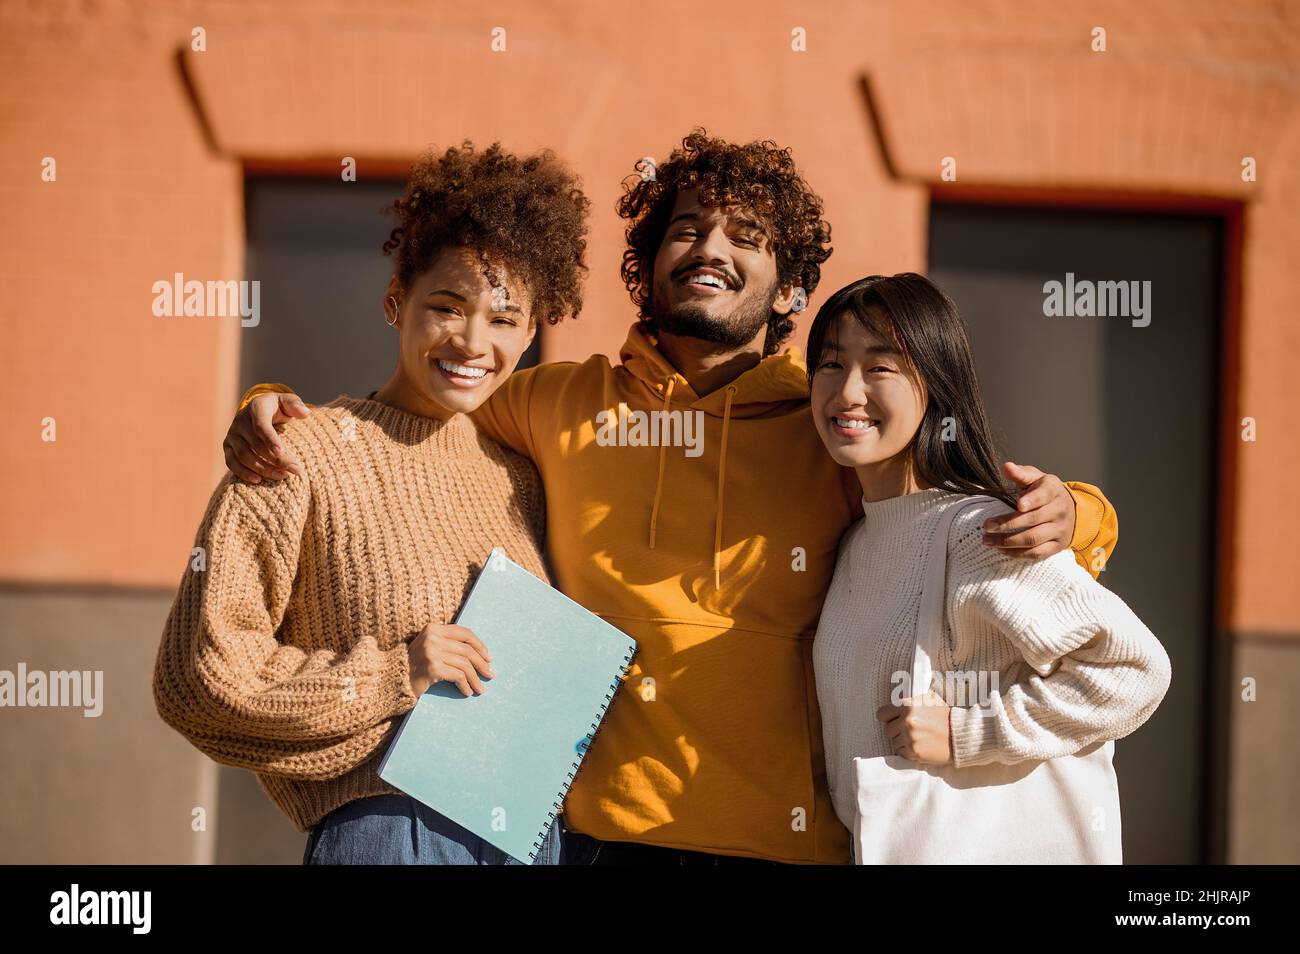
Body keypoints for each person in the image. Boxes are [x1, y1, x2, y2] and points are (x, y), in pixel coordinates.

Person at [220, 129, 1118, 864]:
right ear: (649, 263)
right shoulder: (554, 402)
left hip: (789, 848)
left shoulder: (829, 419)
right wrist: (275, 411)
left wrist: (1081, 512)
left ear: (788, 286)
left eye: (747, 239)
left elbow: (959, 496)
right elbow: (420, 403)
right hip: (588, 843)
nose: (712, 251)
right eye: (687, 229)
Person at [152, 141, 590, 864]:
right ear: (396, 302)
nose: (473, 341)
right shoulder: (297, 452)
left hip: (532, 841)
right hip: (395, 837)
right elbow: (199, 679)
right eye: (447, 307)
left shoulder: (521, 478)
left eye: (505, 319)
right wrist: (397, 674)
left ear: (533, 330)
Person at [805, 273, 1171, 853]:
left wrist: (969, 732)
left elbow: (1135, 669)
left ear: (936, 386)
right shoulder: (855, 544)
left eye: (880, 367)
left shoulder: (975, 533)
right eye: (830, 364)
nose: (848, 392)